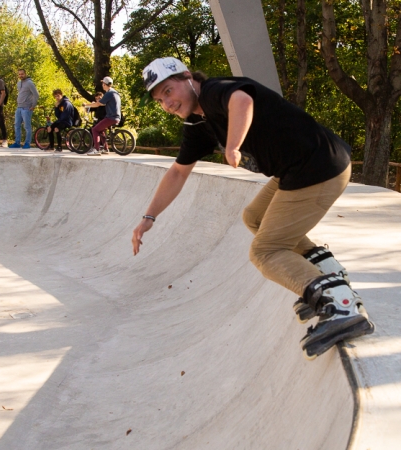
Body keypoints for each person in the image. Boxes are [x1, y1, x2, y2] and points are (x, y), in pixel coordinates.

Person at [131, 57, 374, 360]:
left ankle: (340, 304)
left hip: (318, 168)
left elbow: (242, 100)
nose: (166, 103)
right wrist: (148, 217)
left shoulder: (213, 90)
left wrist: (233, 145)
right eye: (160, 99)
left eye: (168, 91)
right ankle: (327, 272)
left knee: (265, 251)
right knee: (254, 217)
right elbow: (178, 172)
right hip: (301, 168)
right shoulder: (197, 123)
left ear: (188, 78)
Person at [82, 76, 120, 155]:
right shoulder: (115, 92)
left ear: (105, 84)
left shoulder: (109, 93)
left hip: (111, 117)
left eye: (103, 83)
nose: (102, 85)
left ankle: (96, 149)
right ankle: (105, 149)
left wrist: (87, 105)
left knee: (95, 129)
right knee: (101, 130)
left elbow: (98, 104)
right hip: (116, 117)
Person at [9, 69, 39, 149]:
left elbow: (36, 95)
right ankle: (17, 142)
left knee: (27, 126)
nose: (21, 75)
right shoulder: (19, 83)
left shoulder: (29, 83)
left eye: (22, 74)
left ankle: (27, 143)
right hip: (19, 107)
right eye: (19, 74)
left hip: (27, 108)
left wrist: (33, 105)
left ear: (25, 74)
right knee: (17, 125)